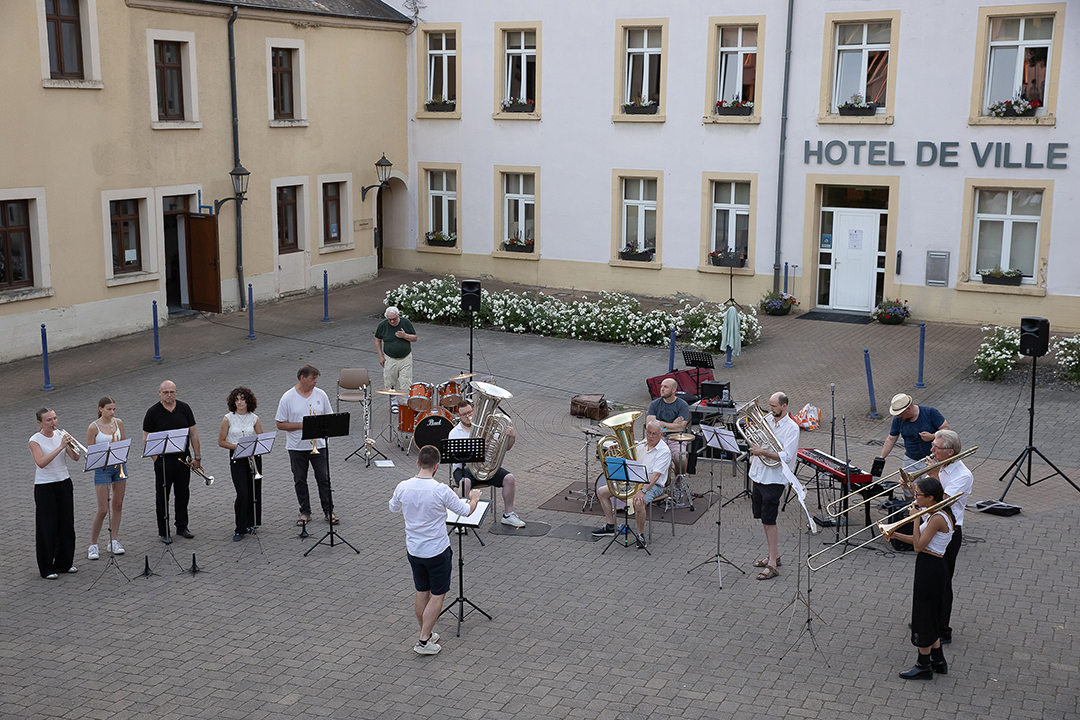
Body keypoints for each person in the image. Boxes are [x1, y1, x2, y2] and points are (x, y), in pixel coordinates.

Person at [389, 445, 481, 656]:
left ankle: (427, 633)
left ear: (418, 463)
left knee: (422, 591)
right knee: (438, 595)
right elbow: (465, 511)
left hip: (414, 549)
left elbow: (393, 507)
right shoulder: (440, 490)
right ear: (436, 466)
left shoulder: (403, 486)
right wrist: (474, 498)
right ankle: (423, 641)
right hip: (437, 550)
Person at [882, 476, 954, 679]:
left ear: (930, 497)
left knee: (924, 615)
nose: (915, 498)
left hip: (932, 568)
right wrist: (894, 534)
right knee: (928, 614)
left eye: (918, 495)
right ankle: (938, 661)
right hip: (928, 564)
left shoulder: (938, 517)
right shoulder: (932, 513)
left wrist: (915, 518)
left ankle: (923, 665)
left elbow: (918, 546)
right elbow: (920, 539)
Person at [591, 420, 672, 549]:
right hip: (635, 480)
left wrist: (642, 491)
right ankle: (610, 526)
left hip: (653, 485)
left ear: (661, 435)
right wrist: (615, 449)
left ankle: (640, 535)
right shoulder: (643, 443)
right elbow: (627, 456)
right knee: (602, 492)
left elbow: (655, 476)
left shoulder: (664, 451)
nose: (650, 436)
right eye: (648, 433)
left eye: (654, 434)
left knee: (639, 502)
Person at [926, 429, 973, 645]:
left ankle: (942, 629)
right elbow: (925, 496)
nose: (931, 450)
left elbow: (942, 503)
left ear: (950, 451)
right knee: (928, 578)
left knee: (943, 581)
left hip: (949, 531)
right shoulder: (939, 465)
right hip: (930, 526)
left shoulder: (963, 475)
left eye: (936, 447)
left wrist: (934, 476)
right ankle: (927, 620)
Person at [448, 399, 525, 528]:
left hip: (486, 467)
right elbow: (453, 458)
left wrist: (512, 436)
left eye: (469, 412)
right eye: (464, 414)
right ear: (459, 416)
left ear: (474, 411)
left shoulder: (487, 428)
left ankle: (508, 515)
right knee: (465, 482)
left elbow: (506, 448)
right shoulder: (455, 433)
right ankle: (460, 520)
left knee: (509, 478)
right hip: (464, 468)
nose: (468, 416)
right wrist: (475, 450)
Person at [276, 365, 336, 526]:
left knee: (323, 478)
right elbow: (280, 424)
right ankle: (305, 511)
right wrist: (303, 425)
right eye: (312, 379)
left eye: (316, 379)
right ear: (302, 378)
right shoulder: (288, 397)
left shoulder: (321, 394)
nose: (315, 382)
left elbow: (329, 418)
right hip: (297, 446)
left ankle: (328, 510)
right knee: (300, 480)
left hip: (319, 445)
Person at [748, 392, 799, 580]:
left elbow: (786, 456)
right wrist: (753, 435)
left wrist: (762, 452)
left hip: (774, 479)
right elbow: (759, 443)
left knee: (770, 521)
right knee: (764, 519)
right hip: (759, 474)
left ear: (784, 406)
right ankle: (774, 555)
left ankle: (772, 564)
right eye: (769, 405)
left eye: (774, 406)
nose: (770, 410)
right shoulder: (768, 420)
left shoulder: (792, 428)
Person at [143, 380, 201, 543]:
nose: (169, 395)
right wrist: (155, 458)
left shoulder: (184, 408)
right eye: (166, 392)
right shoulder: (153, 412)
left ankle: (182, 526)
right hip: (163, 460)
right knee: (162, 495)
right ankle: (164, 531)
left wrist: (197, 457)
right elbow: (146, 438)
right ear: (159, 393)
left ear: (176, 392)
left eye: (172, 392)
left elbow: (193, 434)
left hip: (183, 458)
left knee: (183, 493)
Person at [29, 408, 79, 579]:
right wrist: (61, 447)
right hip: (45, 486)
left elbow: (75, 458)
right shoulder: (35, 440)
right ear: (40, 423)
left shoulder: (60, 435)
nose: (54, 422)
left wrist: (70, 445)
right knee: (47, 526)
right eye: (49, 420)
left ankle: (64, 563)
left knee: (66, 524)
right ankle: (47, 567)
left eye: (55, 418)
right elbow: (41, 462)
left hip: (64, 482)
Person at [878, 393, 949, 498]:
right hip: (910, 459)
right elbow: (891, 438)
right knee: (907, 488)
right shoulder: (898, 419)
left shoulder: (930, 412)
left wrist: (932, 436)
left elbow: (946, 429)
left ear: (908, 409)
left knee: (928, 492)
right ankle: (910, 506)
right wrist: (881, 457)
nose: (898, 417)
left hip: (931, 460)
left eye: (900, 414)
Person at [218, 387, 264, 542]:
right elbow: (221, 441)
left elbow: (261, 438)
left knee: (253, 492)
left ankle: (252, 523)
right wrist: (238, 447)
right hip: (237, 458)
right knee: (242, 493)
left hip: (253, 458)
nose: (240, 402)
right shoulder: (228, 419)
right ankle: (240, 527)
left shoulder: (254, 418)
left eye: (243, 399)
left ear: (248, 401)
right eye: (237, 399)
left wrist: (254, 447)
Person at [85, 397, 127, 559]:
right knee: (103, 509)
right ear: (100, 409)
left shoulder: (119, 423)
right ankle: (93, 544)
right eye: (109, 409)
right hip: (102, 468)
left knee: (117, 505)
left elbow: (123, 444)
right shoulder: (93, 427)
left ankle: (113, 540)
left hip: (119, 466)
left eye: (114, 409)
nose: (112, 412)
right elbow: (90, 451)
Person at [374, 306, 417, 412]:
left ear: (398, 316)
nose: (392, 321)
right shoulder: (383, 325)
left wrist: (405, 335)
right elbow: (377, 340)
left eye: (394, 319)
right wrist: (380, 356)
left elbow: (415, 338)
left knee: (406, 382)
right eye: (390, 319)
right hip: (390, 358)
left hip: (405, 358)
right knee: (390, 381)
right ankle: (393, 402)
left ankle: (405, 403)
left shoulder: (405, 323)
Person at [646, 377, 691, 474]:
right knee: (663, 462)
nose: (662, 389)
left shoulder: (682, 405)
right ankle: (664, 482)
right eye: (661, 386)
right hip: (658, 438)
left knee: (681, 460)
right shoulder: (654, 404)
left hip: (676, 439)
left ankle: (679, 481)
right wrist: (672, 425)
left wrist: (659, 424)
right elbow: (649, 424)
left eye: (666, 387)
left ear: (673, 390)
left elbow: (680, 427)